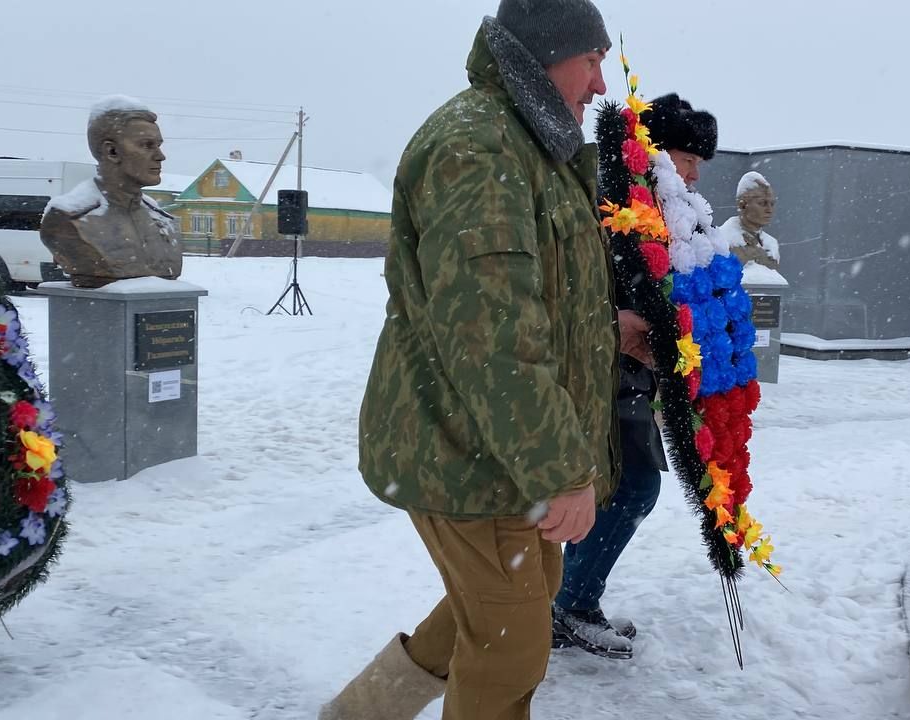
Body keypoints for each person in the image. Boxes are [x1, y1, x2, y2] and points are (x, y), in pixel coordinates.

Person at [320, 2, 621, 719]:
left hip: (499, 447)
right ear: (549, 55)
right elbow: (493, 337)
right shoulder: (478, 149)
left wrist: (618, 326)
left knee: (496, 609)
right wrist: (561, 470)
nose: (601, 83)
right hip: (469, 447)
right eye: (592, 59)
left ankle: (361, 713)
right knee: (511, 642)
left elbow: (541, 296)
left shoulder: (528, 146)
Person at [552, 92, 719, 660]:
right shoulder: (611, 203)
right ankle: (570, 604)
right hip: (598, 370)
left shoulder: (670, 213)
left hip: (634, 373)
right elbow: (566, 291)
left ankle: (564, 600)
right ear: (655, 151)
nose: (694, 172)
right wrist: (615, 323)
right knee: (633, 486)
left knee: (618, 487)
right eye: (686, 157)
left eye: (699, 163)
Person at [39, 97, 182, 288]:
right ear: (112, 151)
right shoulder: (68, 219)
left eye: (158, 145)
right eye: (147, 145)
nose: (160, 156)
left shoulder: (164, 220)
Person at [724, 172, 781, 271]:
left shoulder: (771, 244)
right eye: (762, 203)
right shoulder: (723, 241)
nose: (769, 209)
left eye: (772, 204)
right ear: (743, 205)